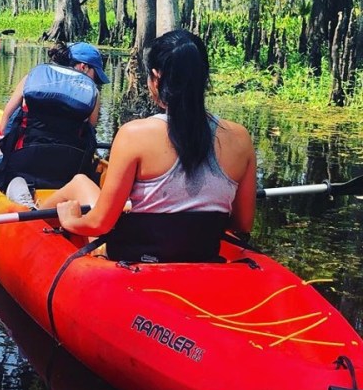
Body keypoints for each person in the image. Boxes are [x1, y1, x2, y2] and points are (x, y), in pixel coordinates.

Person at [38, 29, 257, 263]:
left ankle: (34, 215)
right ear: (204, 78)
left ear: (156, 77)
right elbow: (242, 222)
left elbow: (101, 224)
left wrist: (70, 219)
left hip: (134, 259)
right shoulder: (240, 138)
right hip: (203, 255)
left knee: (80, 182)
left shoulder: (134, 134)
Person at [0, 41, 109, 200]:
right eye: (96, 75)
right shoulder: (92, 92)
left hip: (25, 163)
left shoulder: (32, 77)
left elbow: (5, 125)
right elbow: (88, 134)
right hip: (69, 168)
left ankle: (12, 182)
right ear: (83, 67)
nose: (96, 83)